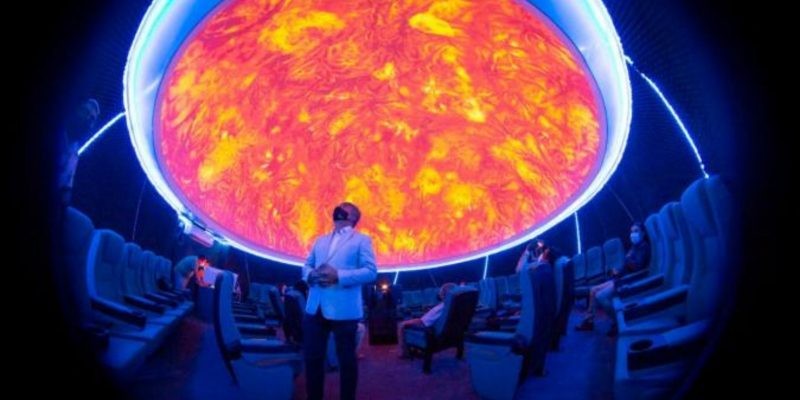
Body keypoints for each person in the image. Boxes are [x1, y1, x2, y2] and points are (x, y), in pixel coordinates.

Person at [302, 202, 378, 400]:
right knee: (312, 358)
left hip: (344, 309)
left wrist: (339, 276)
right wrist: (309, 275)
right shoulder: (320, 240)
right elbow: (307, 265)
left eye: (344, 208)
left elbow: (371, 272)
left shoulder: (362, 240)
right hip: (315, 306)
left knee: (346, 361)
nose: (338, 209)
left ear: (353, 217)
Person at [575, 222, 651, 336]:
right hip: (621, 277)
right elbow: (628, 265)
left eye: (636, 231)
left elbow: (638, 266)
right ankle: (588, 322)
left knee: (600, 296)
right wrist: (617, 271)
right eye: (631, 231)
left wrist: (627, 260)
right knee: (592, 290)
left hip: (628, 280)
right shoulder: (634, 247)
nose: (633, 234)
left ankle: (618, 322)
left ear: (643, 233)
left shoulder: (643, 247)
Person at [397, 282, 457, 359]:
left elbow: (424, 321)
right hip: (429, 323)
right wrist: (430, 311)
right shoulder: (449, 305)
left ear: (444, 294)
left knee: (401, 325)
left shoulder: (443, 307)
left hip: (425, 326)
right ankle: (412, 349)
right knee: (409, 319)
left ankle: (403, 353)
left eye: (441, 293)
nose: (439, 294)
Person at [57, 98, 99, 207]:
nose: (87, 118)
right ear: (76, 110)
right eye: (85, 112)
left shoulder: (75, 151)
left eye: (92, 118)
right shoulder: (53, 133)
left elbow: (66, 187)